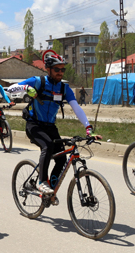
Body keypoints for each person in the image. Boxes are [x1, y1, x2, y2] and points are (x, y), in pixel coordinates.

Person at [8, 50, 96, 195]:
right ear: (48, 69)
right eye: (57, 69)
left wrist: (88, 127)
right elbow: (11, 89)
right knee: (47, 146)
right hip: (34, 124)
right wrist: (26, 88)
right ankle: (42, 182)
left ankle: (50, 190)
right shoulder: (38, 81)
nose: (60, 72)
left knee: (61, 159)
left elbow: (76, 108)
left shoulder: (64, 88)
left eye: (63, 69)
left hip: (50, 126)